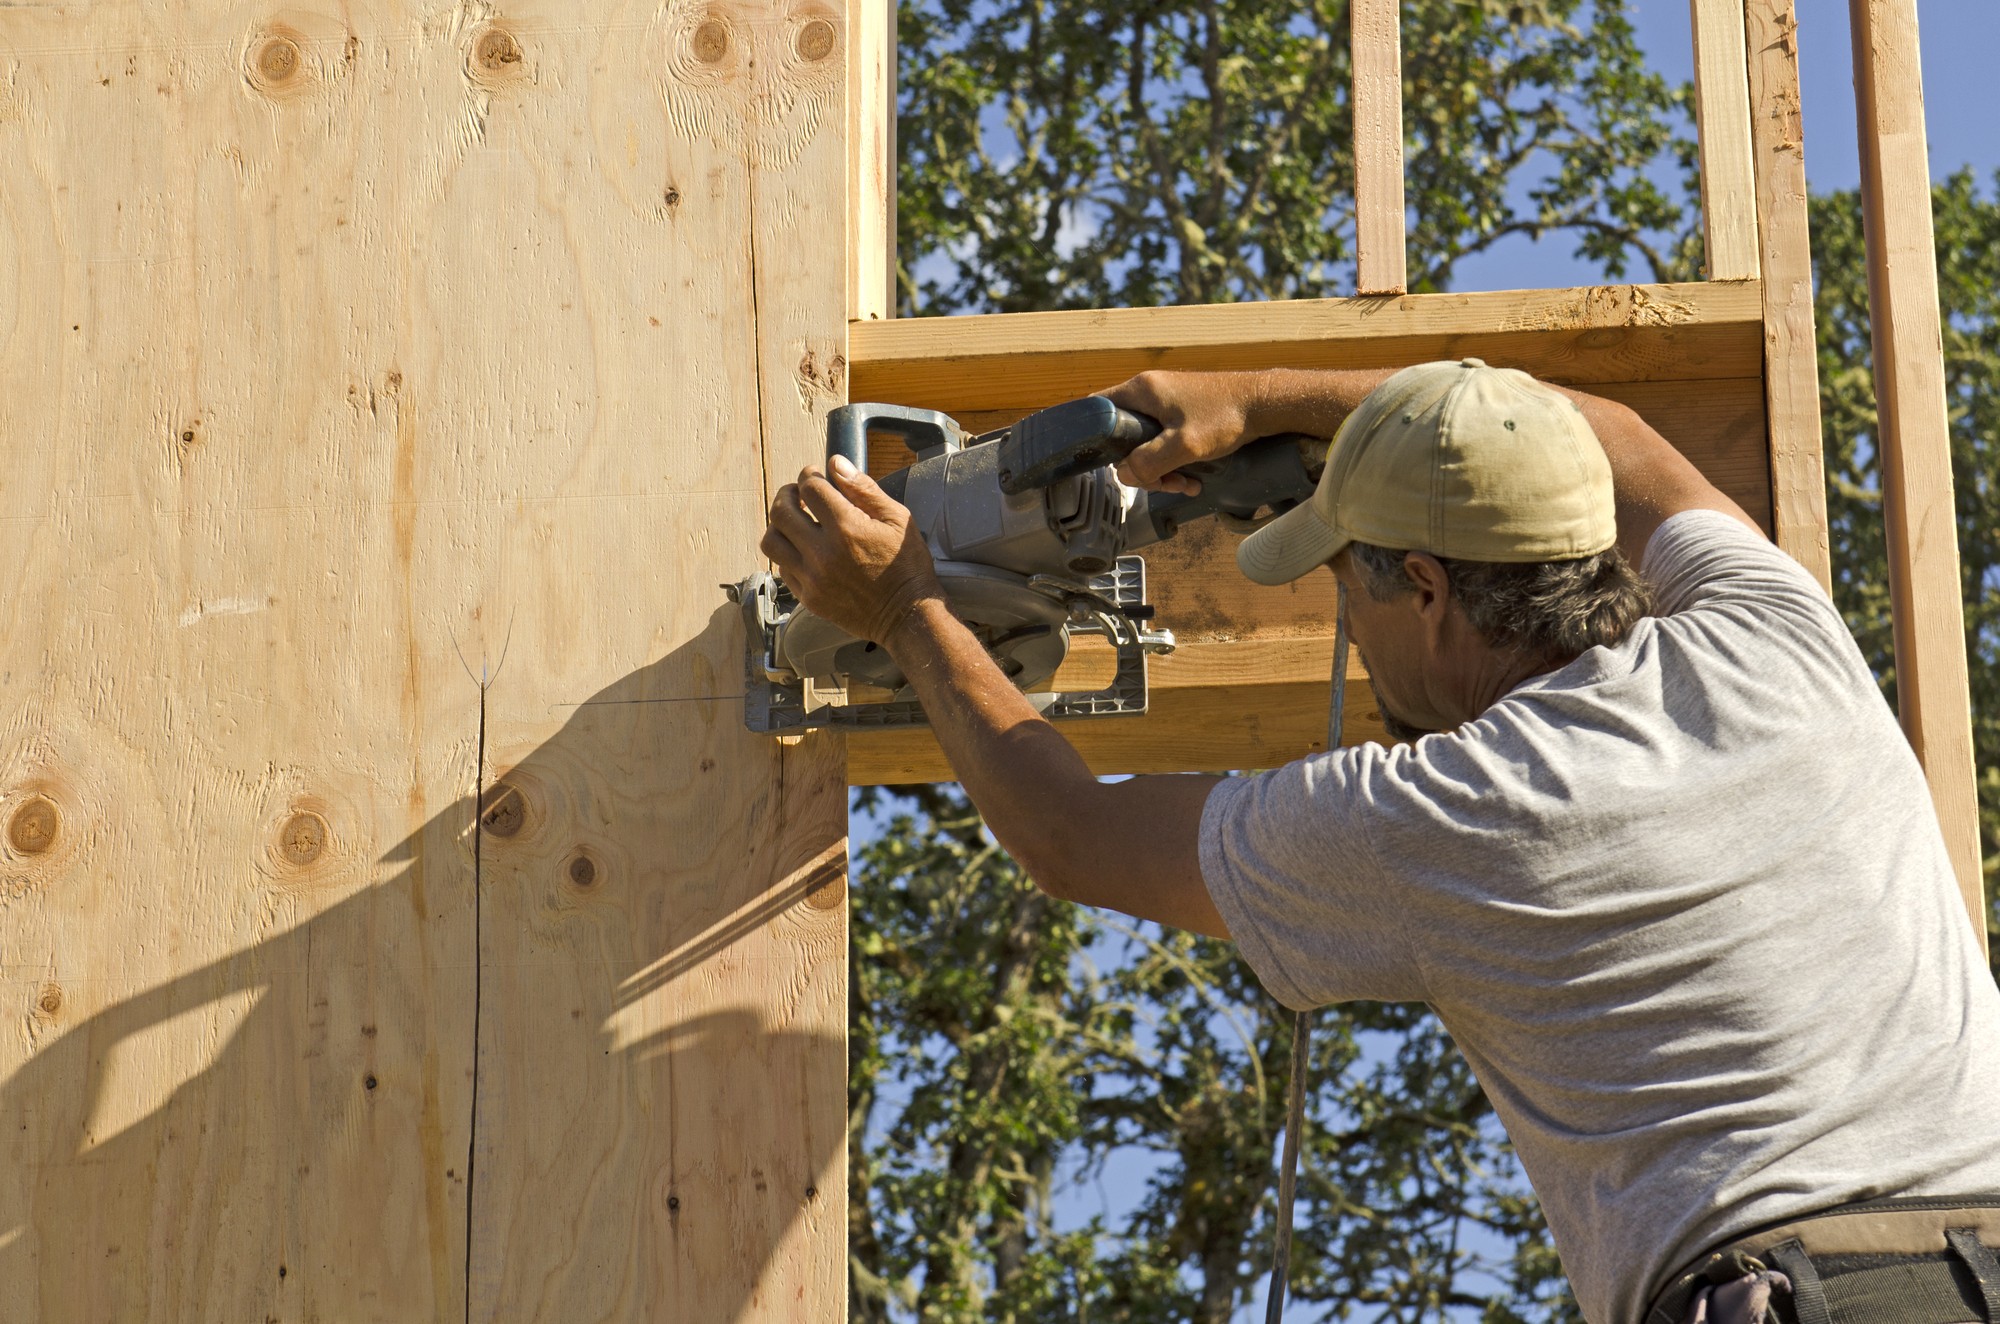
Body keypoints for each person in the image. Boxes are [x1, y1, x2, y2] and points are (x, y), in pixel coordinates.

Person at [759, 359, 2000, 1324]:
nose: (1342, 616)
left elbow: (1075, 835)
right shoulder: (1773, 639)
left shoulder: (1459, 811)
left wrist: (906, 604)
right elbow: (1606, 438)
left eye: (1345, 578)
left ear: (1426, 586)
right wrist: (1260, 400)